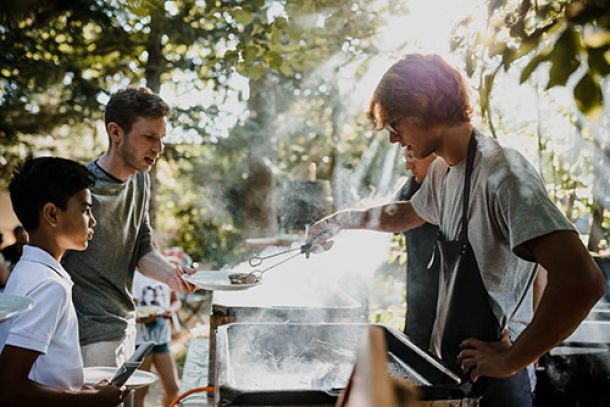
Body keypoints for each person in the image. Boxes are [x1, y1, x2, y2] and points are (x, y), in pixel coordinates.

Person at [307, 54, 606, 406]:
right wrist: (341, 221)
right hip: (456, 374)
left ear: (424, 107)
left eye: (395, 125)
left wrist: (512, 359)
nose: (393, 139)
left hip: (500, 384)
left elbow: (583, 280)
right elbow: (406, 215)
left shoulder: (503, 174)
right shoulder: (443, 173)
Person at [61, 87, 194, 370]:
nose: (158, 149)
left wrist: (172, 276)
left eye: (161, 139)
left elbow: (142, 246)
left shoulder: (141, 181)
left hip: (126, 325)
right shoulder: (79, 190)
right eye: (149, 137)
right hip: (87, 335)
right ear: (115, 132)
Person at [0, 157, 124, 406]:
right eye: (85, 209)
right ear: (52, 214)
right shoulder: (49, 286)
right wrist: (90, 402)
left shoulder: (27, 271)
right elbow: (9, 387)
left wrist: (80, 391)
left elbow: (39, 371)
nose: (93, 220)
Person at [395, 149, 439, 349]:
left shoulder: (472, 186)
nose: (407, 165)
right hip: (418, 322)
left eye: (412, 156)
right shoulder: (412, 188)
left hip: (461, 330)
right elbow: (392, 218)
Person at [132, 259, 181, 407]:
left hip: (161, 339)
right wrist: (139, 317)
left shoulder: (166, 274)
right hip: (140, 341)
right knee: (140, 392)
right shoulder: (133, 276)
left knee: (174, 388)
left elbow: (176, 301)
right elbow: (127, 308)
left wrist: (171, 311)